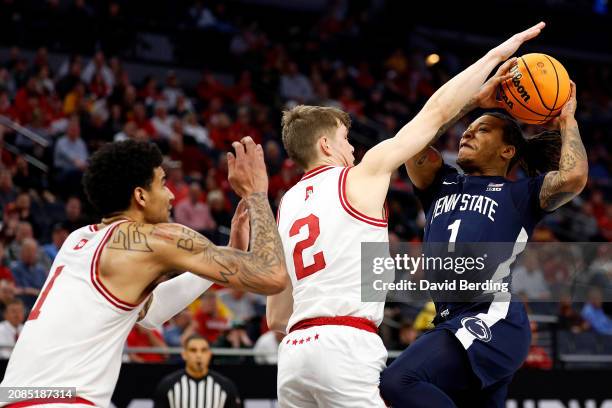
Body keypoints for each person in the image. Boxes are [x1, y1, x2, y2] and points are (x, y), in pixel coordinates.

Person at [267, 22, 547, 408]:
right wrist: (499, 54)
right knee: (400, 385)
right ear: (325, 144)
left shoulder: (287, 205)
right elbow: (432, 115)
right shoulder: (360, 176)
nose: (352, 150)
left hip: (293, 357)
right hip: (344, 344)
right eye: (346, 141)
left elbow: (276, 317)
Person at [1, 138, 287, 407]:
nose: (171, 194)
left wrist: (225, 254)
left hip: (16, 393)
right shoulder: (152, 239)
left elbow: (151, 313)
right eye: (163, 184)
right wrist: (257, 194)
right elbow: (271, 275)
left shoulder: (79, 240)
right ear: (140, 195)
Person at [380, 61, 587, 408]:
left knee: (397, 382)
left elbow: (574, 177)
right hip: (451, 319)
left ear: (507, 151)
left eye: (482, 130)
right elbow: (411, 142)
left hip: (491, 317)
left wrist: (567, 121)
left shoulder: (519, 195)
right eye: (469, 128)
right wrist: (473, 103)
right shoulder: (439, 183)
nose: (467, 133)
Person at [153, 334, 242, 408]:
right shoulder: (167, 385)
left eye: (204, 350)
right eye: (193, 350)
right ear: (184, 354)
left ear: (209, 354)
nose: (199, 355)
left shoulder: (226, 386)